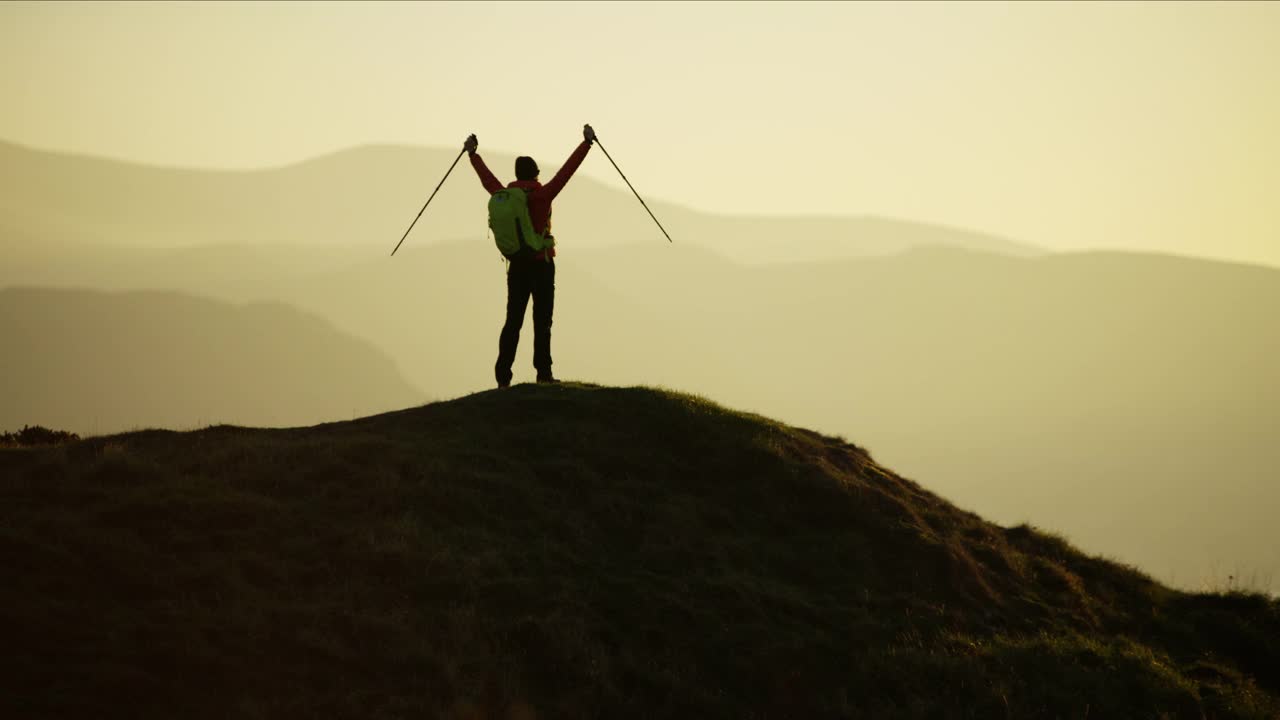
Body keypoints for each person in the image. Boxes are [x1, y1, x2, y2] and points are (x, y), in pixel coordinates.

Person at [465, 125, 596, 388]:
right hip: (542, 264)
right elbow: (567, 172)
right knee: (542, 321)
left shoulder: (503, 195)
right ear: (535, 174)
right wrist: (587, 143)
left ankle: (503, 377)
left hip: (516, 266)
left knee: (513, 320)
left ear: (516, 175)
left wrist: (472, 154)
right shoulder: (543, 195)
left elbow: (487, 178)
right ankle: (543, 373)